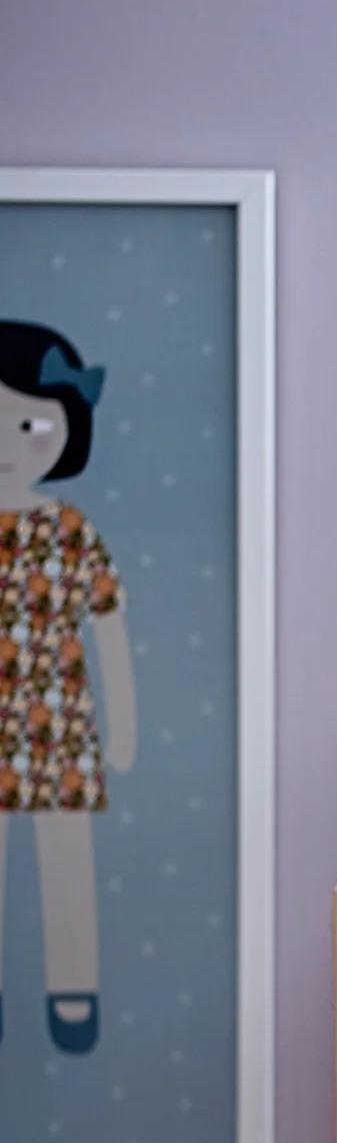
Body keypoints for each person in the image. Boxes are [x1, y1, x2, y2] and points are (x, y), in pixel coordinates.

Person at [0, 320, 135, 1052]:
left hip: (58, 719)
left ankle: (72, 987)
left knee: (66, 858)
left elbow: (107, 621)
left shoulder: (69, 528)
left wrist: (125, 726)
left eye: (27, 421)